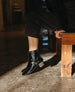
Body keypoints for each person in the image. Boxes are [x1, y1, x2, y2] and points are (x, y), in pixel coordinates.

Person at [21, 0, 67, 75]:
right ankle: (34, 57)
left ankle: (35, 59)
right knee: (31, 16)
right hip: (64, 15)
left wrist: (57, 27)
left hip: (68, 17)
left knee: (32, 17)